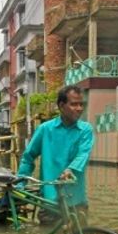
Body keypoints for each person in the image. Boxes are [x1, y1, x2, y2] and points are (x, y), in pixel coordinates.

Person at [17, 85, 93, 224]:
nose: (79, 108)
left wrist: (71, 170)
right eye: (74, 104)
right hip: (49, 199)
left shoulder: (85, 130)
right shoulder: (45, 129)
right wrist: (19, 184)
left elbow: (83, 154)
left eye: (81, 104)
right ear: (61, 106)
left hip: (76, 199)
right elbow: (28, 158)